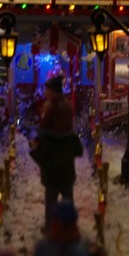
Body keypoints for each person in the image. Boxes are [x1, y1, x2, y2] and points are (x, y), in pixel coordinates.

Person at [29, 75, 83, 231]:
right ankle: (69, 227)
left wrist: (35, 147)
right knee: (68, 200)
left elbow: (41, 157)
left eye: (47, 89)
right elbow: (79, 151)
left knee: (51, 204)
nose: (45, 92)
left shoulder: (46, 139)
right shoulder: (70, 135)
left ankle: (50, 229)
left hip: (52, 176)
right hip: (67, 174)